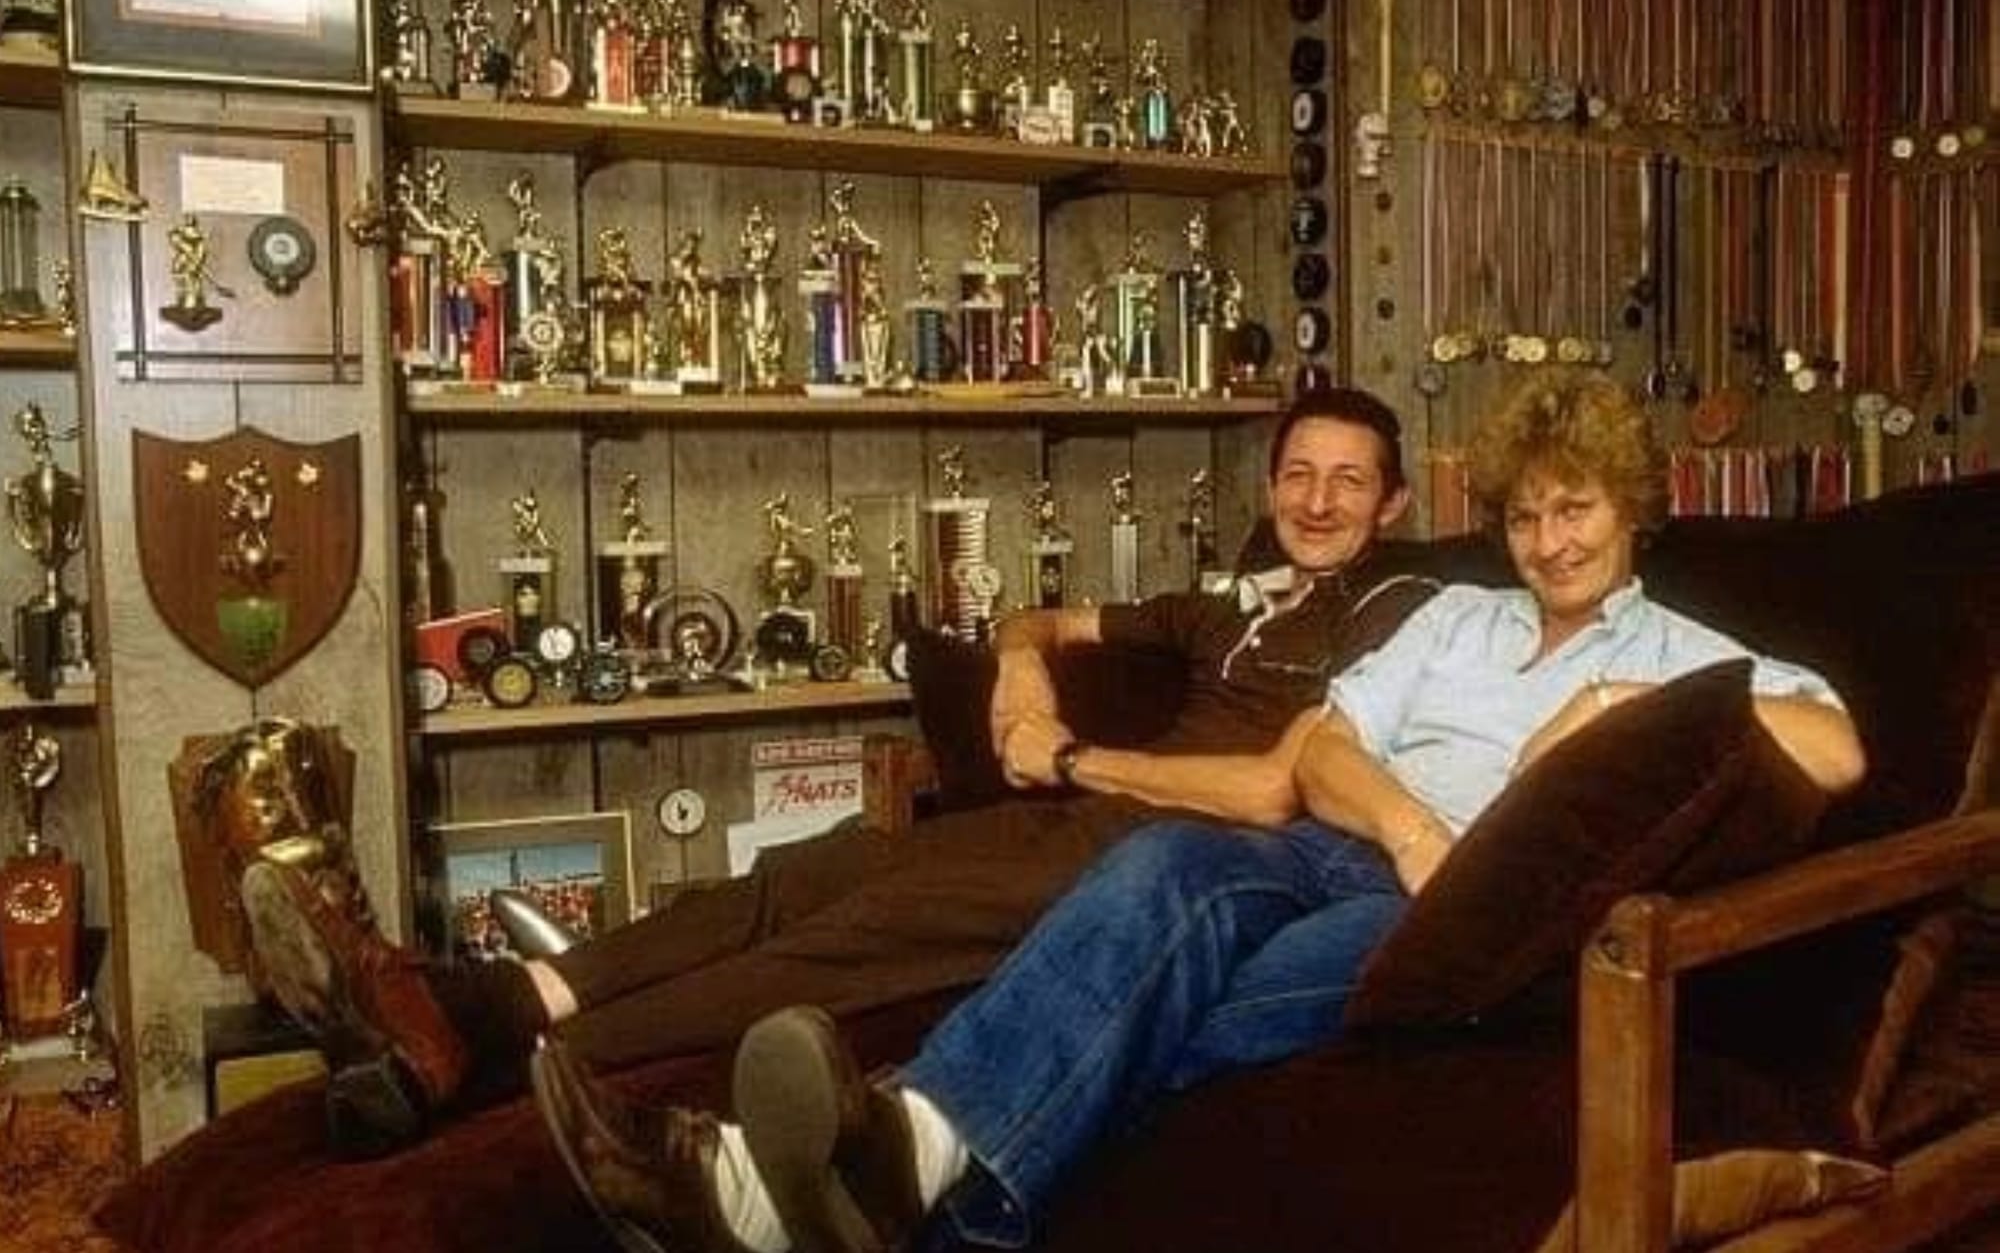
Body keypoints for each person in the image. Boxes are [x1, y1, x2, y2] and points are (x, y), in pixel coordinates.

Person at [530, 368, 1866, 1253]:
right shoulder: (1457, 614)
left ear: (1633, 509)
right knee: (1164, 865)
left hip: (1471, 917)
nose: (1550, 540)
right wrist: (1407, 826)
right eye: (1525, 515)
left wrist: (1619, 706)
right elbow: (1320, 748)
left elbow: (1836, 748)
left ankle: (820, 1180)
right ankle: (882, 1169)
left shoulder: (1688, 650)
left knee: (1182, 995)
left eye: (1576, 509)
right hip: (1350, 844)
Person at [240, 386, 1438, 1153]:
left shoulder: (1399, 615)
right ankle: (498, 1002)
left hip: (1169, 860)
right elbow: (1033, 618)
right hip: (1076, 820)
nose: (1316, 500)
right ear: (1269, 484)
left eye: (1347, 480)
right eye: (1297, 473)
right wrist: (1021, 674)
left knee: (855, 930)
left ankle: (502, 1061)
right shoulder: (1227, 599)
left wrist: (1074, 753)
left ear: (1390, 501)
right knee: (809, 868)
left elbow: (1274, 785)